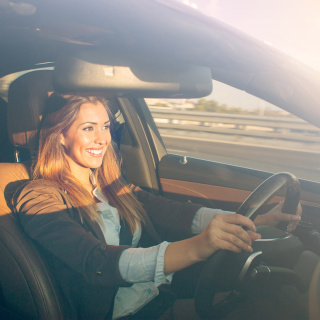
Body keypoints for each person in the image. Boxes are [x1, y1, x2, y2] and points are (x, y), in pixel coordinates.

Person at [13, 93, 302, 320]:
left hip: (158, 295)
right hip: (123, 314)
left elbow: (170, 211)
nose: (103, 139)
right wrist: (198, 246)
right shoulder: (39, 196)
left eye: (105, 127)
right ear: (60, 135)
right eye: (88, 128)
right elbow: (96, 262)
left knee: (268, 299)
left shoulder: (109, 183)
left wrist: (256, 218)